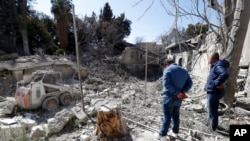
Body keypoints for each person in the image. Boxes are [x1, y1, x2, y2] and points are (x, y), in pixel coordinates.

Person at [155, 58, 193, 139]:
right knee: (176, 116)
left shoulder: (167, 70)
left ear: (167, 64)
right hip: (179, 98)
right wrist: (182, 91)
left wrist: (177, 92)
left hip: (169, 97)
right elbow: (190, 83)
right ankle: (175, 132)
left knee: (167, 116)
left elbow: (166, 84)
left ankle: (162, 135)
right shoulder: (184, 70)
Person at [204, 52, 229, 131]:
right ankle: (210, 124)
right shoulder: (215, 66)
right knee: (211, 109)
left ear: (213, 59)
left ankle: (213, 127)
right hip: (212, 90)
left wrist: (216, 83)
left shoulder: (218, 66)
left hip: (214, 91)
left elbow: (225, 74)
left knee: (213, 110)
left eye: (209, 57)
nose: (208, 59)